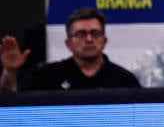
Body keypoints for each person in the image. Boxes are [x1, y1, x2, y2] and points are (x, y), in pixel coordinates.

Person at [1, 8, 141, 92]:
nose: (89, 39)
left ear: (104, 41)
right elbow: (11, 102)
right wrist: (10, 72)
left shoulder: (124, 80)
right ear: (68, 44)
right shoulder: (46, 76)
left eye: (95, 33)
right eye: (81, 34)